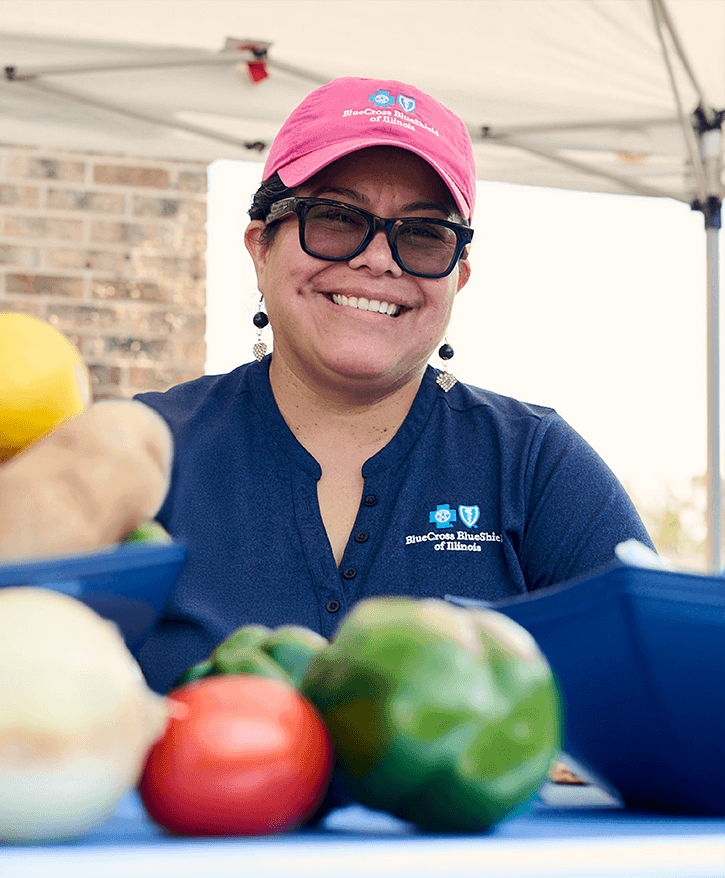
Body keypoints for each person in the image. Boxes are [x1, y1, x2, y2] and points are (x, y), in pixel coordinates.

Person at [134, 77, 653, 694]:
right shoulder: (146, 451)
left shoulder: (535, 465)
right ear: (260, 246)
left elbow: (665, 689)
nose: (380, 259)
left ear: (458, 276)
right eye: (334, 218)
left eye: (424, 234)